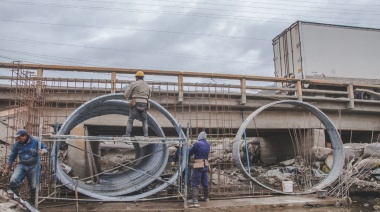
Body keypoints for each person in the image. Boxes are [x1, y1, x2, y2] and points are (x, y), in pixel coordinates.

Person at [2, 129, 48, 205]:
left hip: (34, 165)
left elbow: (45, 148)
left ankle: (33, 203)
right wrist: (7, 168)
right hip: (22, 165)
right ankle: (16, 201)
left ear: (25, 136)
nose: (18, 140)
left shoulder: (36, 140)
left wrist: (43, 151)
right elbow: (12, 156)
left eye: (19, 138)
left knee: (33, 186)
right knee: (13, 181)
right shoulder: (17, 144)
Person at [124, 71, 151, 137]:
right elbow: (149, 96)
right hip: (144, 103)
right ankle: (146, 135)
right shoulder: (147, 86)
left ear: (137, 77)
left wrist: (129, 97)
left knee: (130, 120)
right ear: (143, 77)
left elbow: (126, 95)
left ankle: (127, 134)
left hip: (135, 102)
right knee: (144, 120)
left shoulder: (134, 84)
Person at [188, 131, 210, 208]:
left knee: (195, 181)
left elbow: (190, 152)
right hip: (205, 165)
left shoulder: (197, 143)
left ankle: (195, 200)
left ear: (199, 136)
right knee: (205, 181)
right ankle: (206, 198)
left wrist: (190, 146)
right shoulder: (208, 144)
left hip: (198, 165)